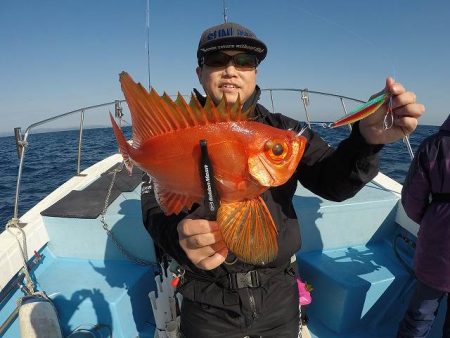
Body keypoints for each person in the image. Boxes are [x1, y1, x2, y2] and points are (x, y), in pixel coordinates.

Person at [141, 22, 425, 338]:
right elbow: (153, 204)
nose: (231, 70)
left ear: (255, 73)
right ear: (200, 72)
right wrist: (180, 240)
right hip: (206, 301)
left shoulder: (285, 131)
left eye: (245, 61)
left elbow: (333, 181)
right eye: (218, 60)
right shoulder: (174, 136)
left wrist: (366, 140)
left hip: (278, 298)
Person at [397, 114, 450, 338]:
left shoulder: (433, 145)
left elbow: (411, 201)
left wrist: (430, 222)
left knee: (420, 315)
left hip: (437, 246)